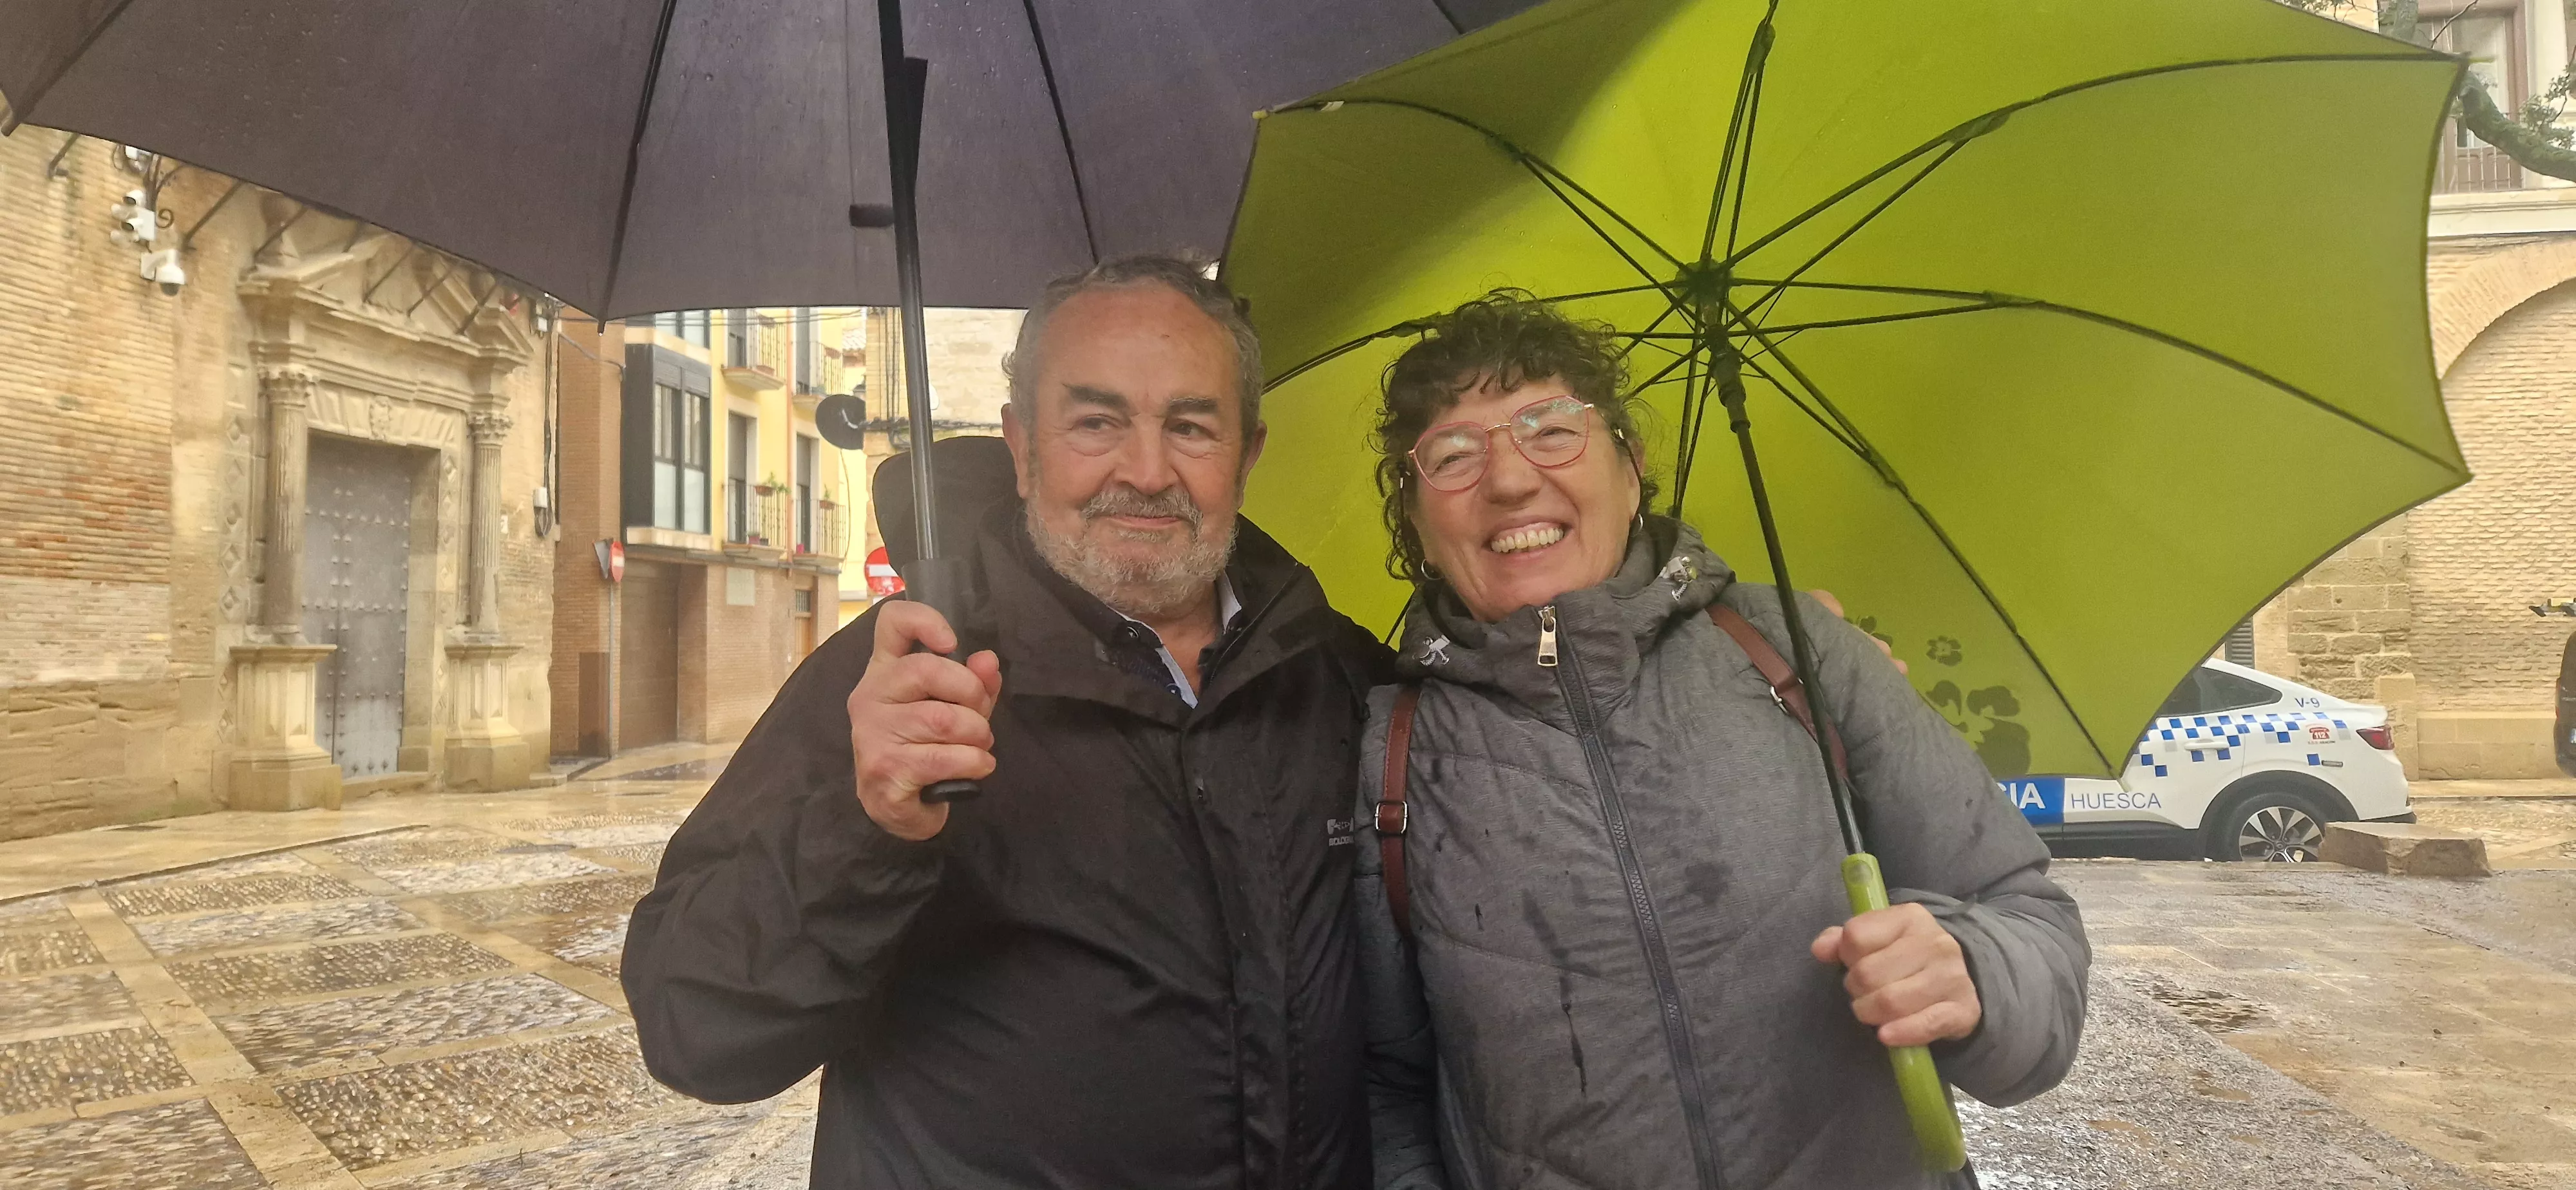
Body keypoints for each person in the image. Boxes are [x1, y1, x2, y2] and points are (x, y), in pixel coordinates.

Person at [623, 254, 1398, 1188]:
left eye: (1191, 426)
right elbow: (698, 1029)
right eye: (1096, 421)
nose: (1146, 471)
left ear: (1249, 453)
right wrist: (867, 831)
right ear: (1022, 448)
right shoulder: (905, 680)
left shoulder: (1334, 672)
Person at [1356, 293, 2090, 1189]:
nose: (1509, 480)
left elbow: (2024, 914)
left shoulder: (1799, 652)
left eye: (1552, 430)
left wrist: (1972, 973)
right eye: (1453, 456)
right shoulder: (1388, 753)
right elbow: (1387, 1089)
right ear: (1417, 523)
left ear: (1631, 468)